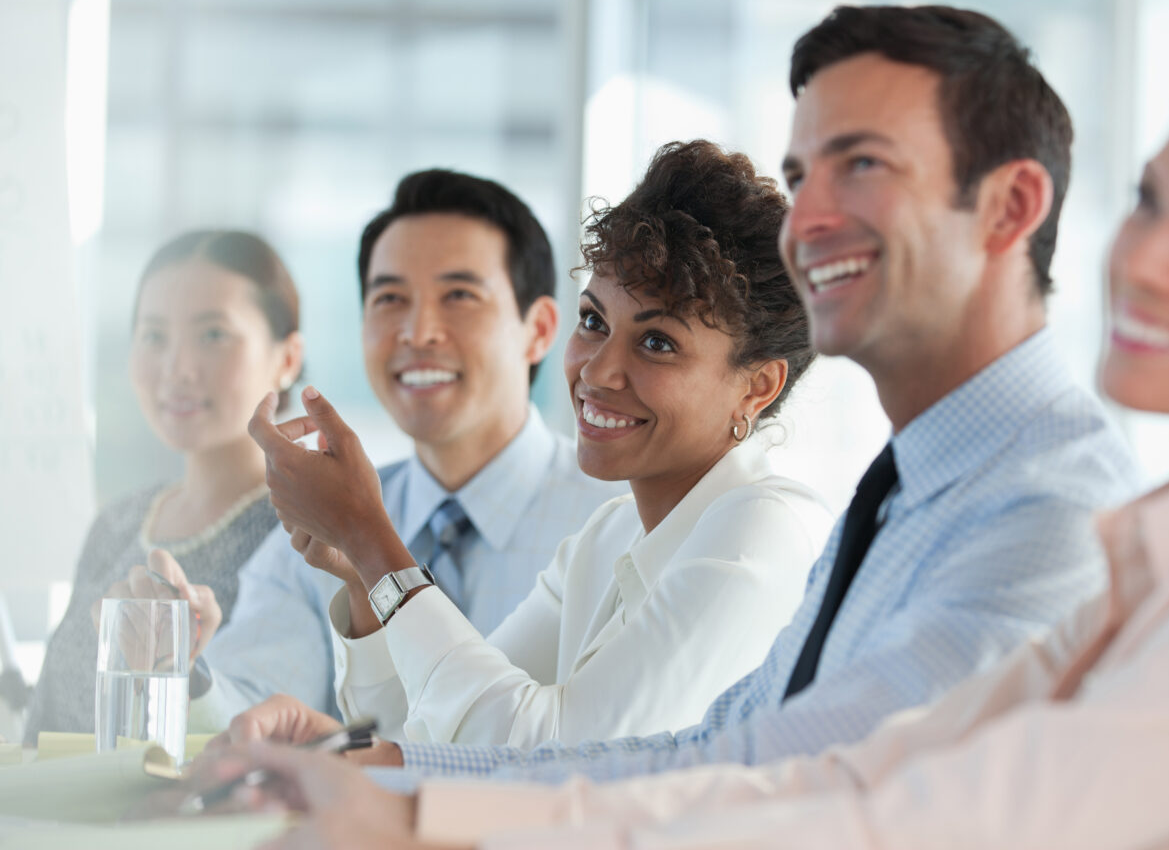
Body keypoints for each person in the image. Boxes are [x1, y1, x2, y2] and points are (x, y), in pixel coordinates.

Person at [249, 43, 1169, 850]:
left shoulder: (784, 529)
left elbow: (898, 822)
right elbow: (799, 771)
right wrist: (378, 769)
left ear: (759, 389)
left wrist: (379, 568)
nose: (1139, 259)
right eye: (1145, 202)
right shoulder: (1144, 558)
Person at [242, 140, 831, 750]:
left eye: (657, 342)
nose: (598, 372)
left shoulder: (764, 530)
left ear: (757, 386)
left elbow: (554, 753)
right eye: (595, 321)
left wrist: (371, 539)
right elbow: (434, 740)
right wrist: (365, 579)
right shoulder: (606, 539)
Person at [171, 170, 622, 731]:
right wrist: (183, 669)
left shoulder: (615, 522)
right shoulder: (314, 531)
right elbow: (255, 712)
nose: (417, 331)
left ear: (540, 328)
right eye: (389, 298)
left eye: (459, 295)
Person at [23, 230, 304, 742]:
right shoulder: (118, 522)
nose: (176, 369)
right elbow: (42, 727)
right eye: (154, 336)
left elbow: (282, 742)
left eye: (213, 335)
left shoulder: (304, 533)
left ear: (287, 359)